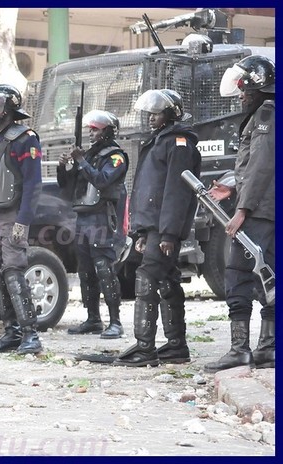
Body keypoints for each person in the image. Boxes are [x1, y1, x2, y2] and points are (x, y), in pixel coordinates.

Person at [113, 88, 201, 367]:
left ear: (170, 114)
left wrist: (169, 234)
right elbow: (147, 190)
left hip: (164, 229)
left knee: (148, 278)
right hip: (154, 227)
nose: (151, 117)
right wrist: (141, 232)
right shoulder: (158, 141)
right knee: (167, 280)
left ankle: (145, 348)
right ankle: (176, 346)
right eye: (150, 113)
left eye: (157, 112)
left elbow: (177, 192)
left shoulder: (178, 143)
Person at [204, 55, 275, 373]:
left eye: (244, 89)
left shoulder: (266, 113)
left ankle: (240, 349)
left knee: (237, 276)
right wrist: (232, 186)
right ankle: (269, 348)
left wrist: (242, 210)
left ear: (258, 87)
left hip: (260, 213)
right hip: (268, 210)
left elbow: (262, 166)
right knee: (271, 278)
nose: (241, 96)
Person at [0, 84, 43, 355]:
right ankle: (10, 331)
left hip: (12, 215)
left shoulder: (25, 139)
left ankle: (30, 334)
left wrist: (23, 222)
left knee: (13, 271)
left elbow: (33, 184)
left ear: (9, 108)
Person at [57, 110, 129, 339]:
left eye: (95, 129)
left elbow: (101, 180)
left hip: (101, 218)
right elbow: (68, 188)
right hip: (83, 218)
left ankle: (115, 322)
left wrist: (80, 161)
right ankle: (93, 319)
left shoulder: (116, 156)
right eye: (89, 129)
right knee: (85, 271)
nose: (91, 133)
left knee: (104, 269)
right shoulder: (88, 155)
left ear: (107, 131)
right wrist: (63, 168)